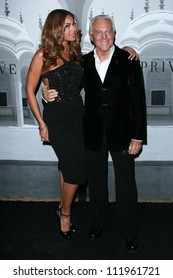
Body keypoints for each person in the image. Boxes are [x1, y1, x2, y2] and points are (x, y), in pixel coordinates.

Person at [42, 14, 147, 252]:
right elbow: (64, 84)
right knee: (96, 183)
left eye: (108, 31)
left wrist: (138, 136)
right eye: (98, 32)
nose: (104, 36)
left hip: (123, 133)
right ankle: (100, 223)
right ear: (90, 36)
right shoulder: (82, 63)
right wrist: (45, 94)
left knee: (126, 185)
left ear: (114, 33)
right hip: (91, 131)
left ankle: (130, 232)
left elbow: (137, 101)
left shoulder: (128, 59)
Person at [25, 9, 86, 240]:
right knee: (75, 171)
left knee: (67, 166)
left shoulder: (74, 52)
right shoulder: (43, 54)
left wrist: (128, 50)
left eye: (74, 25)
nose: (74, 30)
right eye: (68, 26)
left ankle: (62, 207)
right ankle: (65, 215)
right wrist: (41, 123)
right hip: (58, 119)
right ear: (56, 28)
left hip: (77, 117)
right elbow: (29, 90)